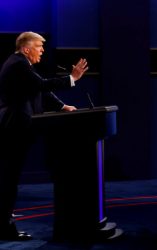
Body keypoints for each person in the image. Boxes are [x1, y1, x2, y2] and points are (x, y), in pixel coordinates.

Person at [0, 31, 88, 241]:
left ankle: (4, 225)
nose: (42, 51)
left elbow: (39, 91)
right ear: (26, 48)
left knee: (9, 178)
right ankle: (4, 227)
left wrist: (62, 106)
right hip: (13, 127)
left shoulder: (21, 64)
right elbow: (41, 85)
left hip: (15, 127)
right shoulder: (18, 64)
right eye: (39, 47)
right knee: (8, 179)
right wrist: (72, 79)